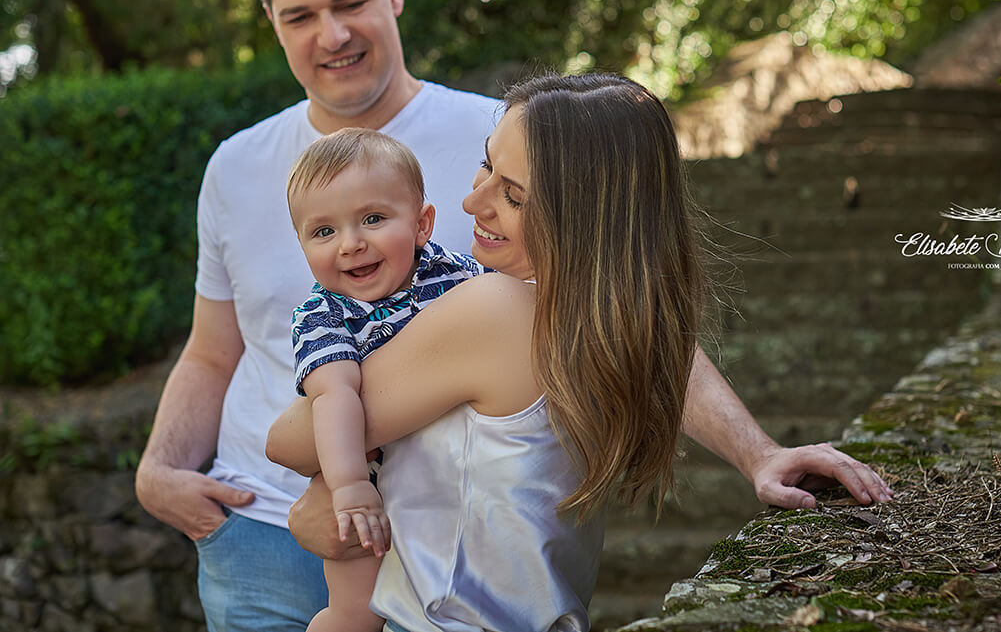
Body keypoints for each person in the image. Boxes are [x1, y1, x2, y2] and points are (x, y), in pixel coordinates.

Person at [134, 0, 890, 632]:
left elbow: (614, 299)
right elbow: (212, 350)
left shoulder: (513, 134)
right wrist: (164, 468)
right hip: (256, 531)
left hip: (437, 560)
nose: (331, 34)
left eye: (349, 2)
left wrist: (754, 449)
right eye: (299, 15)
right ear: (270, 21)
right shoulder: (235, 166)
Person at [266, 73, 708, 631]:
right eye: (486, 164)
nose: (473, 200)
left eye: (513, 194)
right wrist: (758, 453)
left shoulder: (495, 308)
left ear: (583, 218)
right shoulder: (608, 324)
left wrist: (328, 493)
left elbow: (286, 441)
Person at [287, 128, 486, 632]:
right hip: (365, 478)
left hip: (455, 475)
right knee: (355, 613)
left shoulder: (455, 273)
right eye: (324, 232)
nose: (351, 245)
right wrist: (350, 486)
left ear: (422, 224)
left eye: (373, 219)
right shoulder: (322, 315)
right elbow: (333, 395)